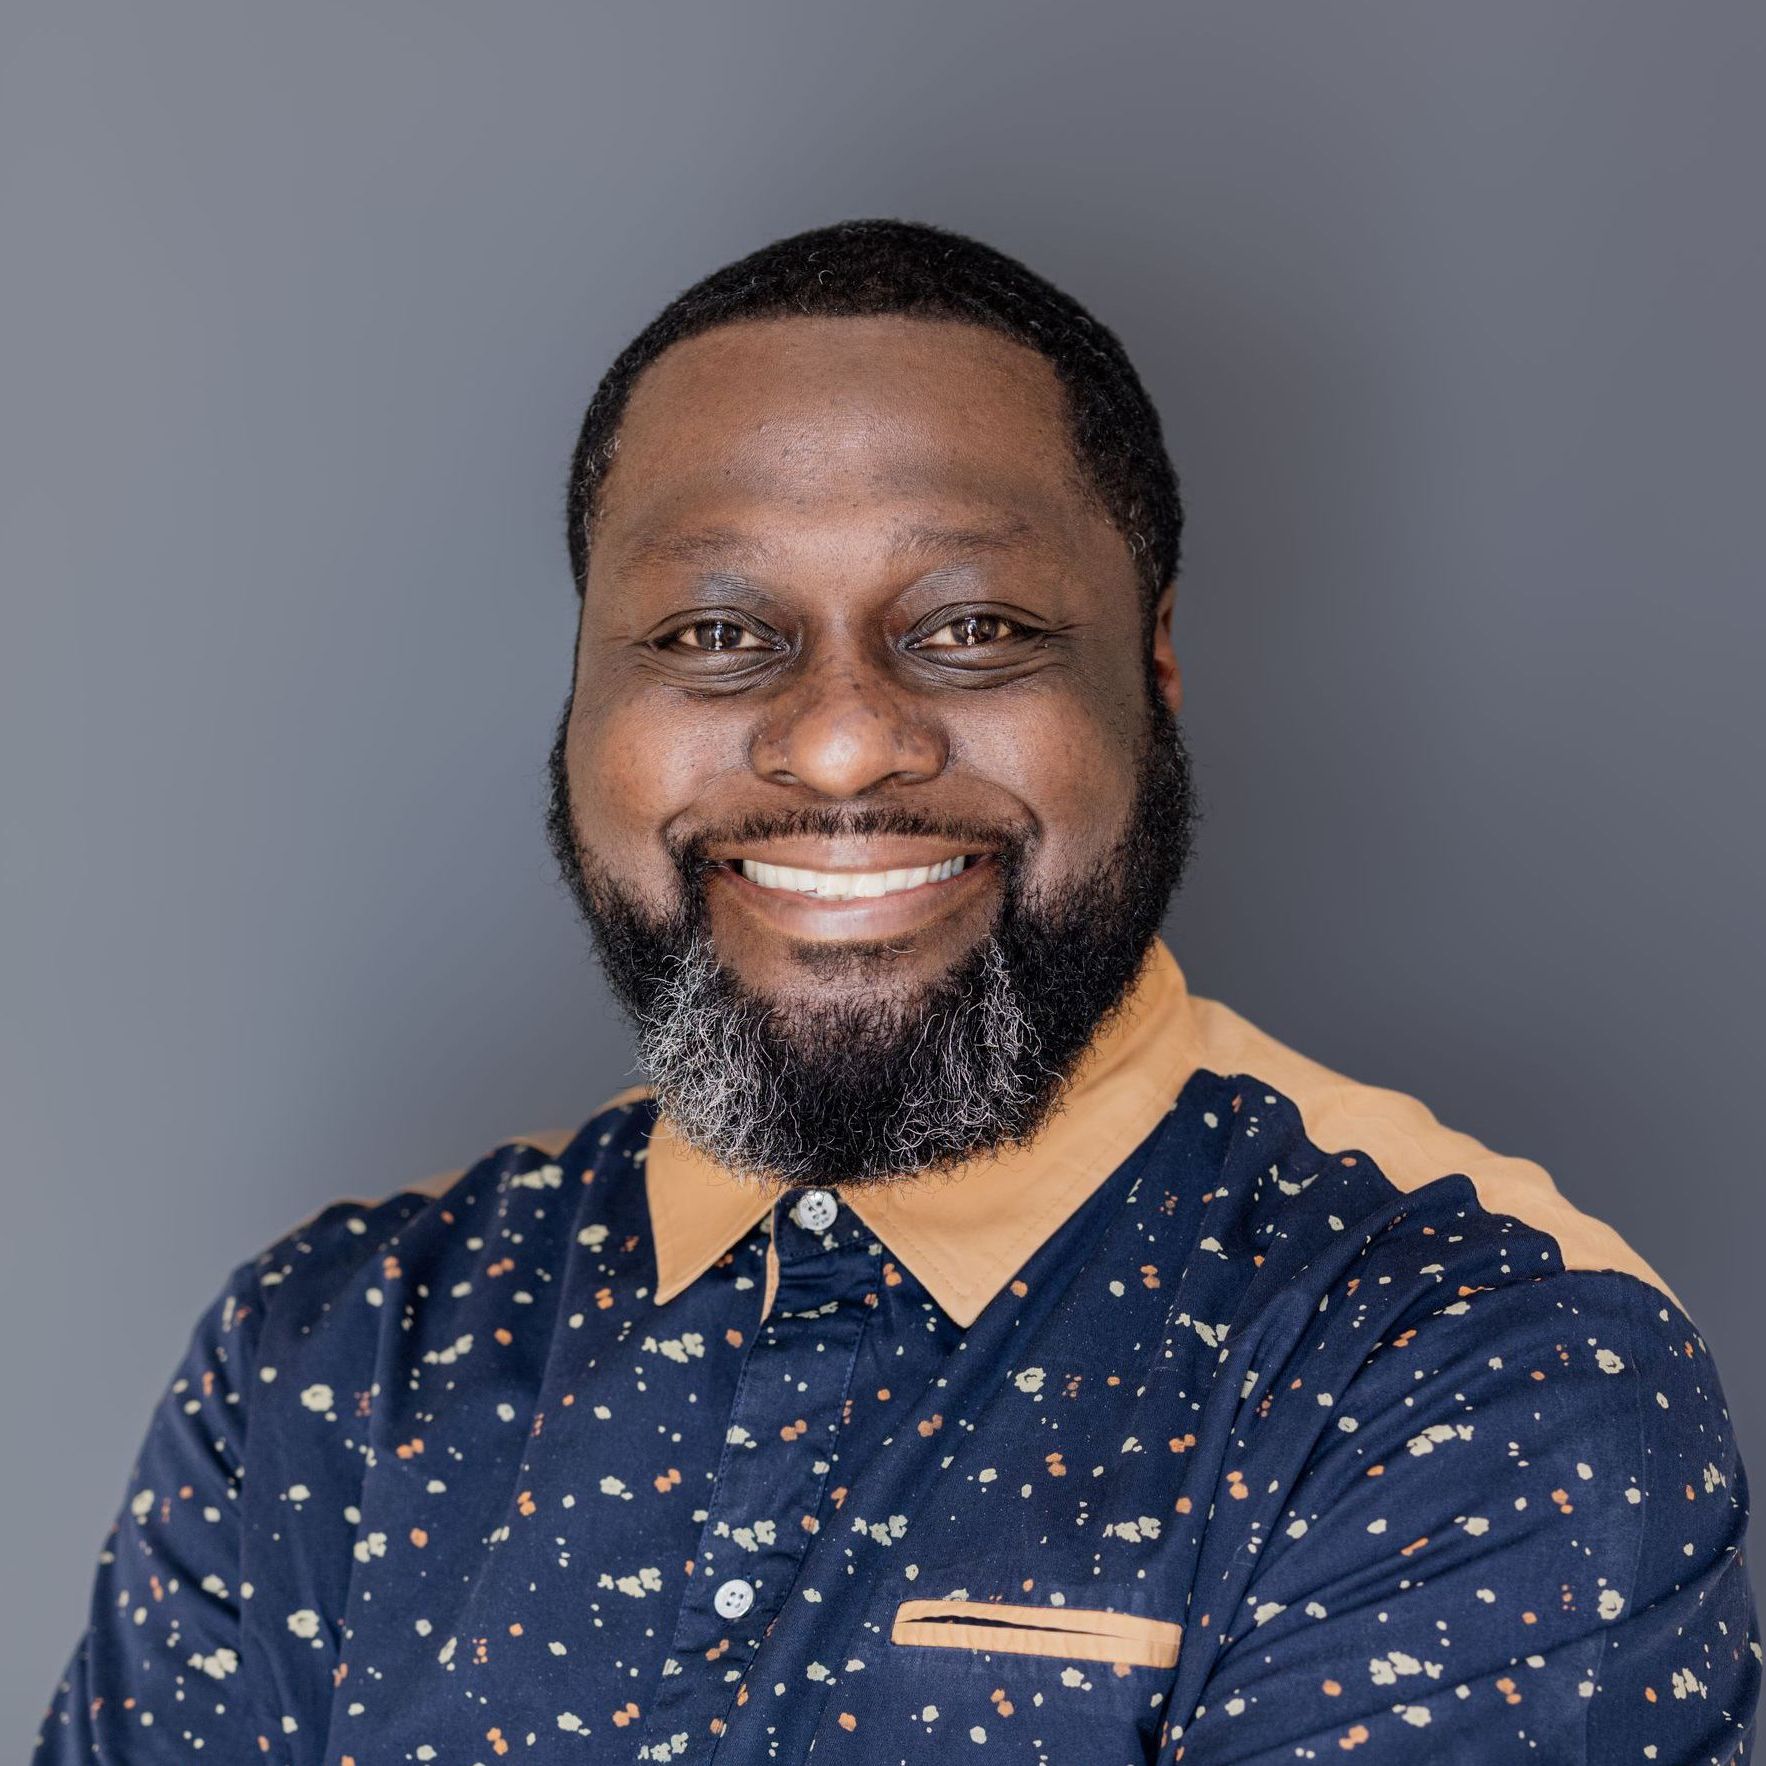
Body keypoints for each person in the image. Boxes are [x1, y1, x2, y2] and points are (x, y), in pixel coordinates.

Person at [36, 218, 1757, 1764]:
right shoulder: (329, 1363)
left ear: (1149, 668)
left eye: (974, 626)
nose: (845, 735)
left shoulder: (1469, 1368)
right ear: (578, 698)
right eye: (714, 634)